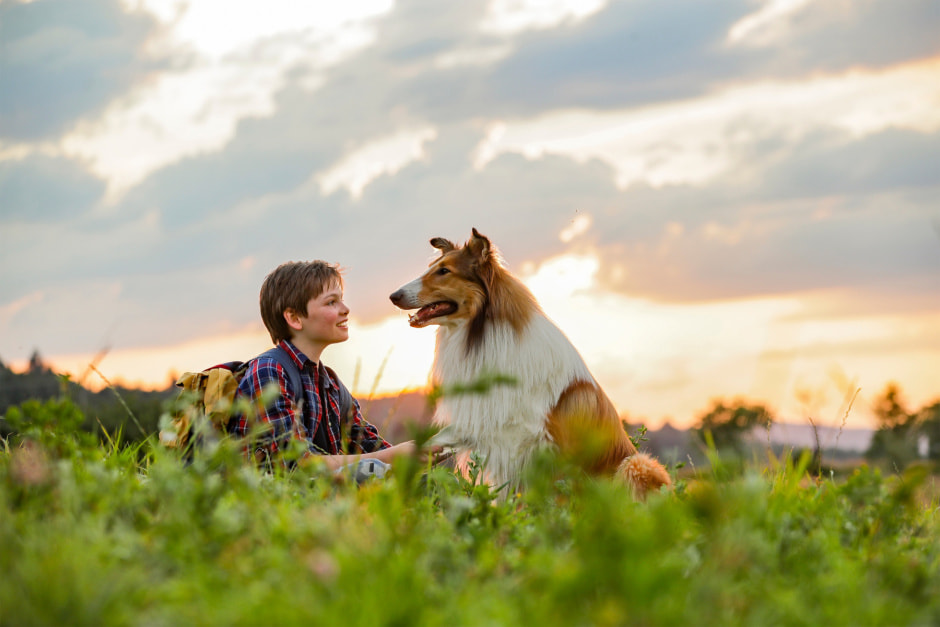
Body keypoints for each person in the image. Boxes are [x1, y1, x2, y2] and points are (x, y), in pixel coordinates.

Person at [230, 260, 435, 472]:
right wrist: (389, 456)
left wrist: (423, 452)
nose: (345, 309)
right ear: (294, 318)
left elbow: (369, 446)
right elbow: (297, 464)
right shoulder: (268, 372)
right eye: (331, 302)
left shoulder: (331, 385)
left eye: (342, 300)